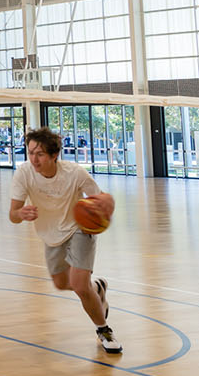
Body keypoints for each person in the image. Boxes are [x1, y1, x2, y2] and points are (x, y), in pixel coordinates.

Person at [7, 127, 121, 354]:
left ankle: (104, 329)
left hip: (79, 228)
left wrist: (107, 203)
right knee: (61, 284)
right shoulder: (23, 174)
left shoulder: (74, 173)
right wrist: (21, 214)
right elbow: (13, 215)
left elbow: (100, 197)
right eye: (30, 153)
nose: (34, 159)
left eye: (39, 154)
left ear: (53, 155)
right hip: (50, 234)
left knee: (79, 285)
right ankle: (96, 288)